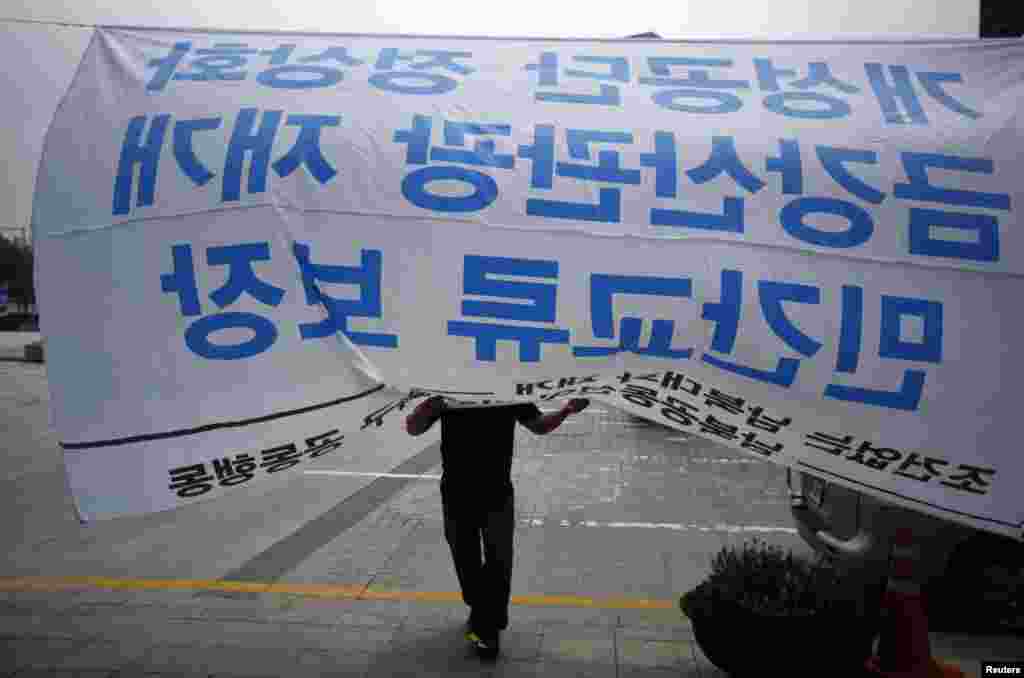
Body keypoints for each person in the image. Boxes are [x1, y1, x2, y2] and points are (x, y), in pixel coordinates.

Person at [406, 394, 590, 660]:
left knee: (499, 559)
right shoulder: (450, 391)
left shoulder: (507, 392)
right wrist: (427, 408)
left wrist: (567, 410)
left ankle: (486, 628)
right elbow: (413, 428)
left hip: (497, 493)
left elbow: (539, 425)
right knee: (464, 556)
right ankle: (481, 610)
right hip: (456, 492)